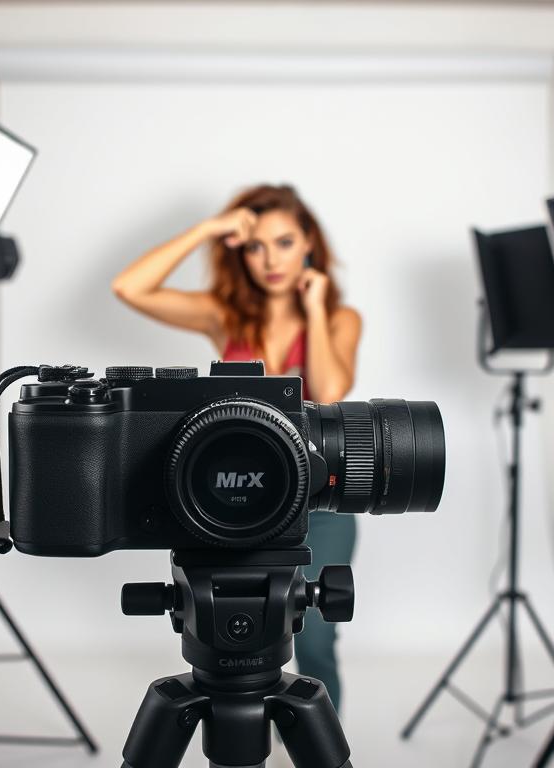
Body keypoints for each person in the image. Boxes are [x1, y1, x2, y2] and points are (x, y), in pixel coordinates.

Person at [111, 183, 361, 712]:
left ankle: (317, 742)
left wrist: (313, 307)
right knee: (238, 633)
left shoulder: (341, 318)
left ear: (309, 244)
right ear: (239, 252)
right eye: (255, 246)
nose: (270, 259)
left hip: (318, 496)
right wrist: (207, 230)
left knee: (315, 637)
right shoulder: (226, 316)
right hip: (240, 492)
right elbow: (129, 288)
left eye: (285, 242)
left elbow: (331, 390)